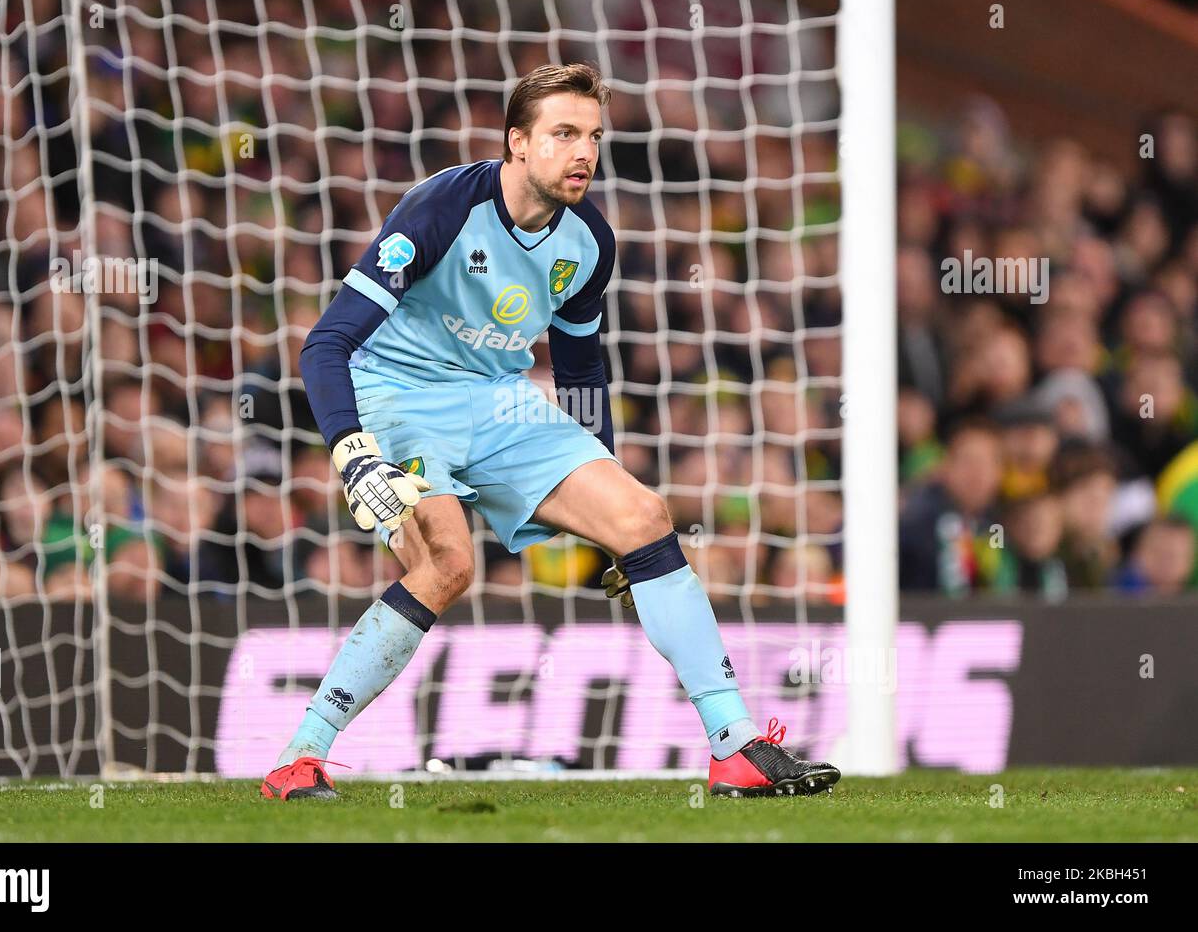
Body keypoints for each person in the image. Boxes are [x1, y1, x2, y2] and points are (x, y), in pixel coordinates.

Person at [262, 63, 839, 801]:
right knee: (447, 563)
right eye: (564, 134)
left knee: (643, 518)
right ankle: (301, 755)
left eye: (593, 136)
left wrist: (605, 500)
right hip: (397, 396)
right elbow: (326, 344)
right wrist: (353, 453)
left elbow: (581, 368)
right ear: (517, 144)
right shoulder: (439, 209)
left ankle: (736, 747)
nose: (584, 153)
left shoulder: (589, 243)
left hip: (498, 400)